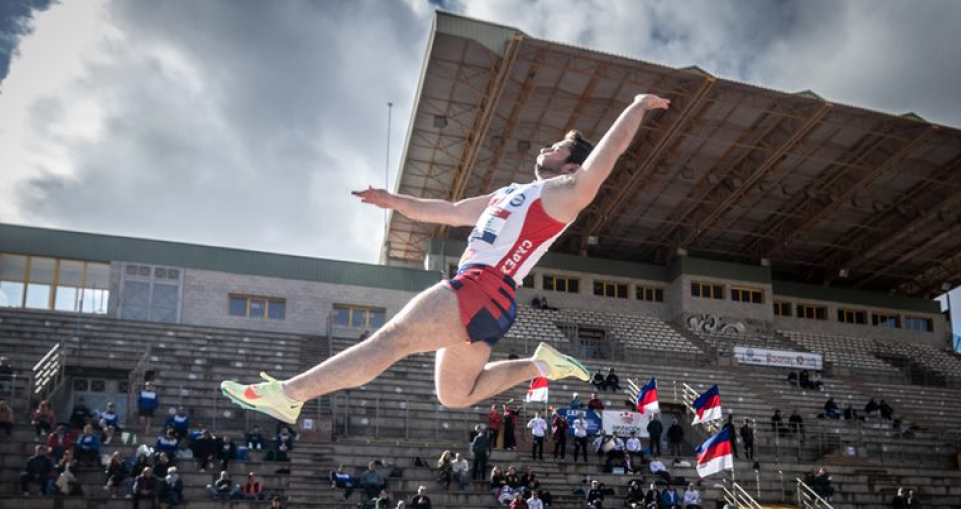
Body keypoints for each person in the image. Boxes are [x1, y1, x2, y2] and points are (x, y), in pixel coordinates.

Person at [220, 94, 672, 423]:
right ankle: (541, 365)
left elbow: (610, 152)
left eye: (558, 147)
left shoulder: (567, 193)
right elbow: (451, 211)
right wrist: (394, 201)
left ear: (572, 167)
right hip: (491, 302)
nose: (546, 147)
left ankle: (289, 394)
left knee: (391, 340)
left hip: (480, 287)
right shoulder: (511, 194)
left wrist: (636, 105)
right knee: (455, 395)